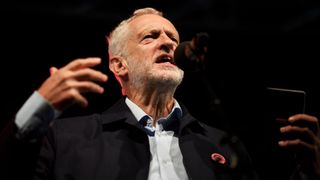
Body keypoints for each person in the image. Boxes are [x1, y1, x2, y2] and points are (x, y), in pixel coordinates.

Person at [0, 7, 318, 180]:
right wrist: (38, 107)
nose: (168, 43)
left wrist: (306, 172)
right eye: (150, 37)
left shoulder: (221, 145)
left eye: (172, 37)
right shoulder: (67, 137)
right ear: (118, 64)